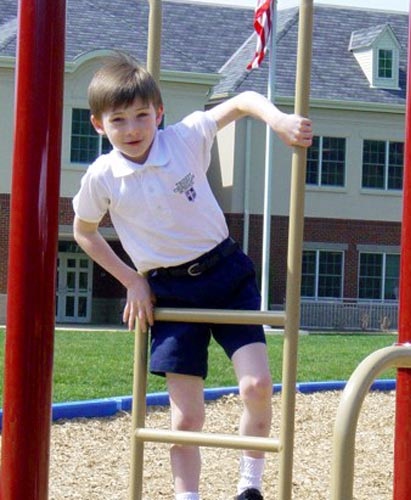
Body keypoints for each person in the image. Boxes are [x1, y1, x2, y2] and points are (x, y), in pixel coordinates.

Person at [72, 52, 312, 500]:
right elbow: (83, 231)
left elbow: (241, 100)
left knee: (257, 386)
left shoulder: (183, 139)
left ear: (158, 113)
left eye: (142, 116)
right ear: (98, 125)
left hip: (225, 274)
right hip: (169, 291)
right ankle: (188, 496)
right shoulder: (103, 176)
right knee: (186, 417)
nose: (133, 129)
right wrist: (131, 279)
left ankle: (250, 484)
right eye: (119, 120)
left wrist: (278, 121)